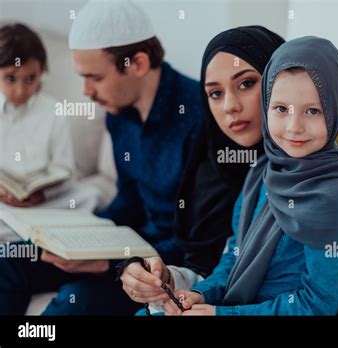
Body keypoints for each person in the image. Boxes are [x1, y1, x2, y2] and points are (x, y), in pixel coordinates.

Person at [119, 29, 338, 315]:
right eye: (215, 93)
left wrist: (220, 312)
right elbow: (229, 260)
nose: (230, 106)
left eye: (247, 83)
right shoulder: (259, 172)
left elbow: (328, 303)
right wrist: (182, 289)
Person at [0, 0, 203, 315]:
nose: (86, 91)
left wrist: (112, 261)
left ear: (136, 64)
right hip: (127, 249)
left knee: (74, 302)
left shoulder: (200, 116)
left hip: (158, 262)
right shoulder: (119, 111)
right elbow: (130, 200)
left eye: (94, 77)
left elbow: (198, 242)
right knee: (9, 258)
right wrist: (83, 236)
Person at [0, 23, 74, 208]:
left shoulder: (55, 111)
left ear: (42, 72)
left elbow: (64, 169)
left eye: (30, 79)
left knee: (89, 195)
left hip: (40, 198)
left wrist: (43, 194)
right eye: (10, 78)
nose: (20, 90)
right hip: (3, 198)